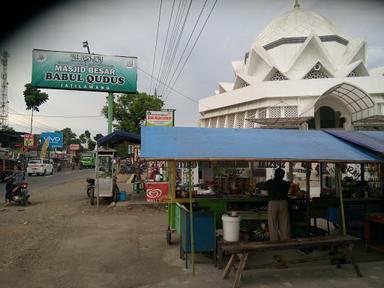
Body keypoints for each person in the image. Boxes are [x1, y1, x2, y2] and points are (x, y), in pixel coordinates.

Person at [265, 168, 291, 241]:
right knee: (284, 223)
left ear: (275, 174)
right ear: (283, 175)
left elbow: (262, 186)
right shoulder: (287, 183)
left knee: (273, 223)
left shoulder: (270, 182)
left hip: (273, 203)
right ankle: (285, 239)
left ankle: (274, 240)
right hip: (283, 203)